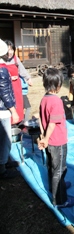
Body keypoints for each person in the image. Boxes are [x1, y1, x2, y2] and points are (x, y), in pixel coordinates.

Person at [38, 68, 74, 208]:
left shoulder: (44, 98)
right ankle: (60, 200)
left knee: (52, 166)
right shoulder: (56, 101)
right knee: (60, 170)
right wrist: (47, 138)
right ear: (58, 85)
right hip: (57, 141)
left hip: (49, 141)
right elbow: (52, 123)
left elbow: (40, 120)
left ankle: (54, 188)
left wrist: (44, 137)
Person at [0, 39, 20, 179]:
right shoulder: (2, 70)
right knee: (4, 138)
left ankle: (4, 160)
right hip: (2, 110)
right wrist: (13, 111)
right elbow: (5, 93)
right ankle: (2, 168)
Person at [4, 40, 33, 125]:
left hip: (16, 86)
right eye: (8, 50)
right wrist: (9, 78)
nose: (10, 52)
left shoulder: (15, 59)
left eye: (12, 50)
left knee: (19, 103)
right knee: (9, 104)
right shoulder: (1, 60)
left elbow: (22, 70)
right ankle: (9, 123)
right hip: (6, 87)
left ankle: (19, 122)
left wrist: (28, 78)